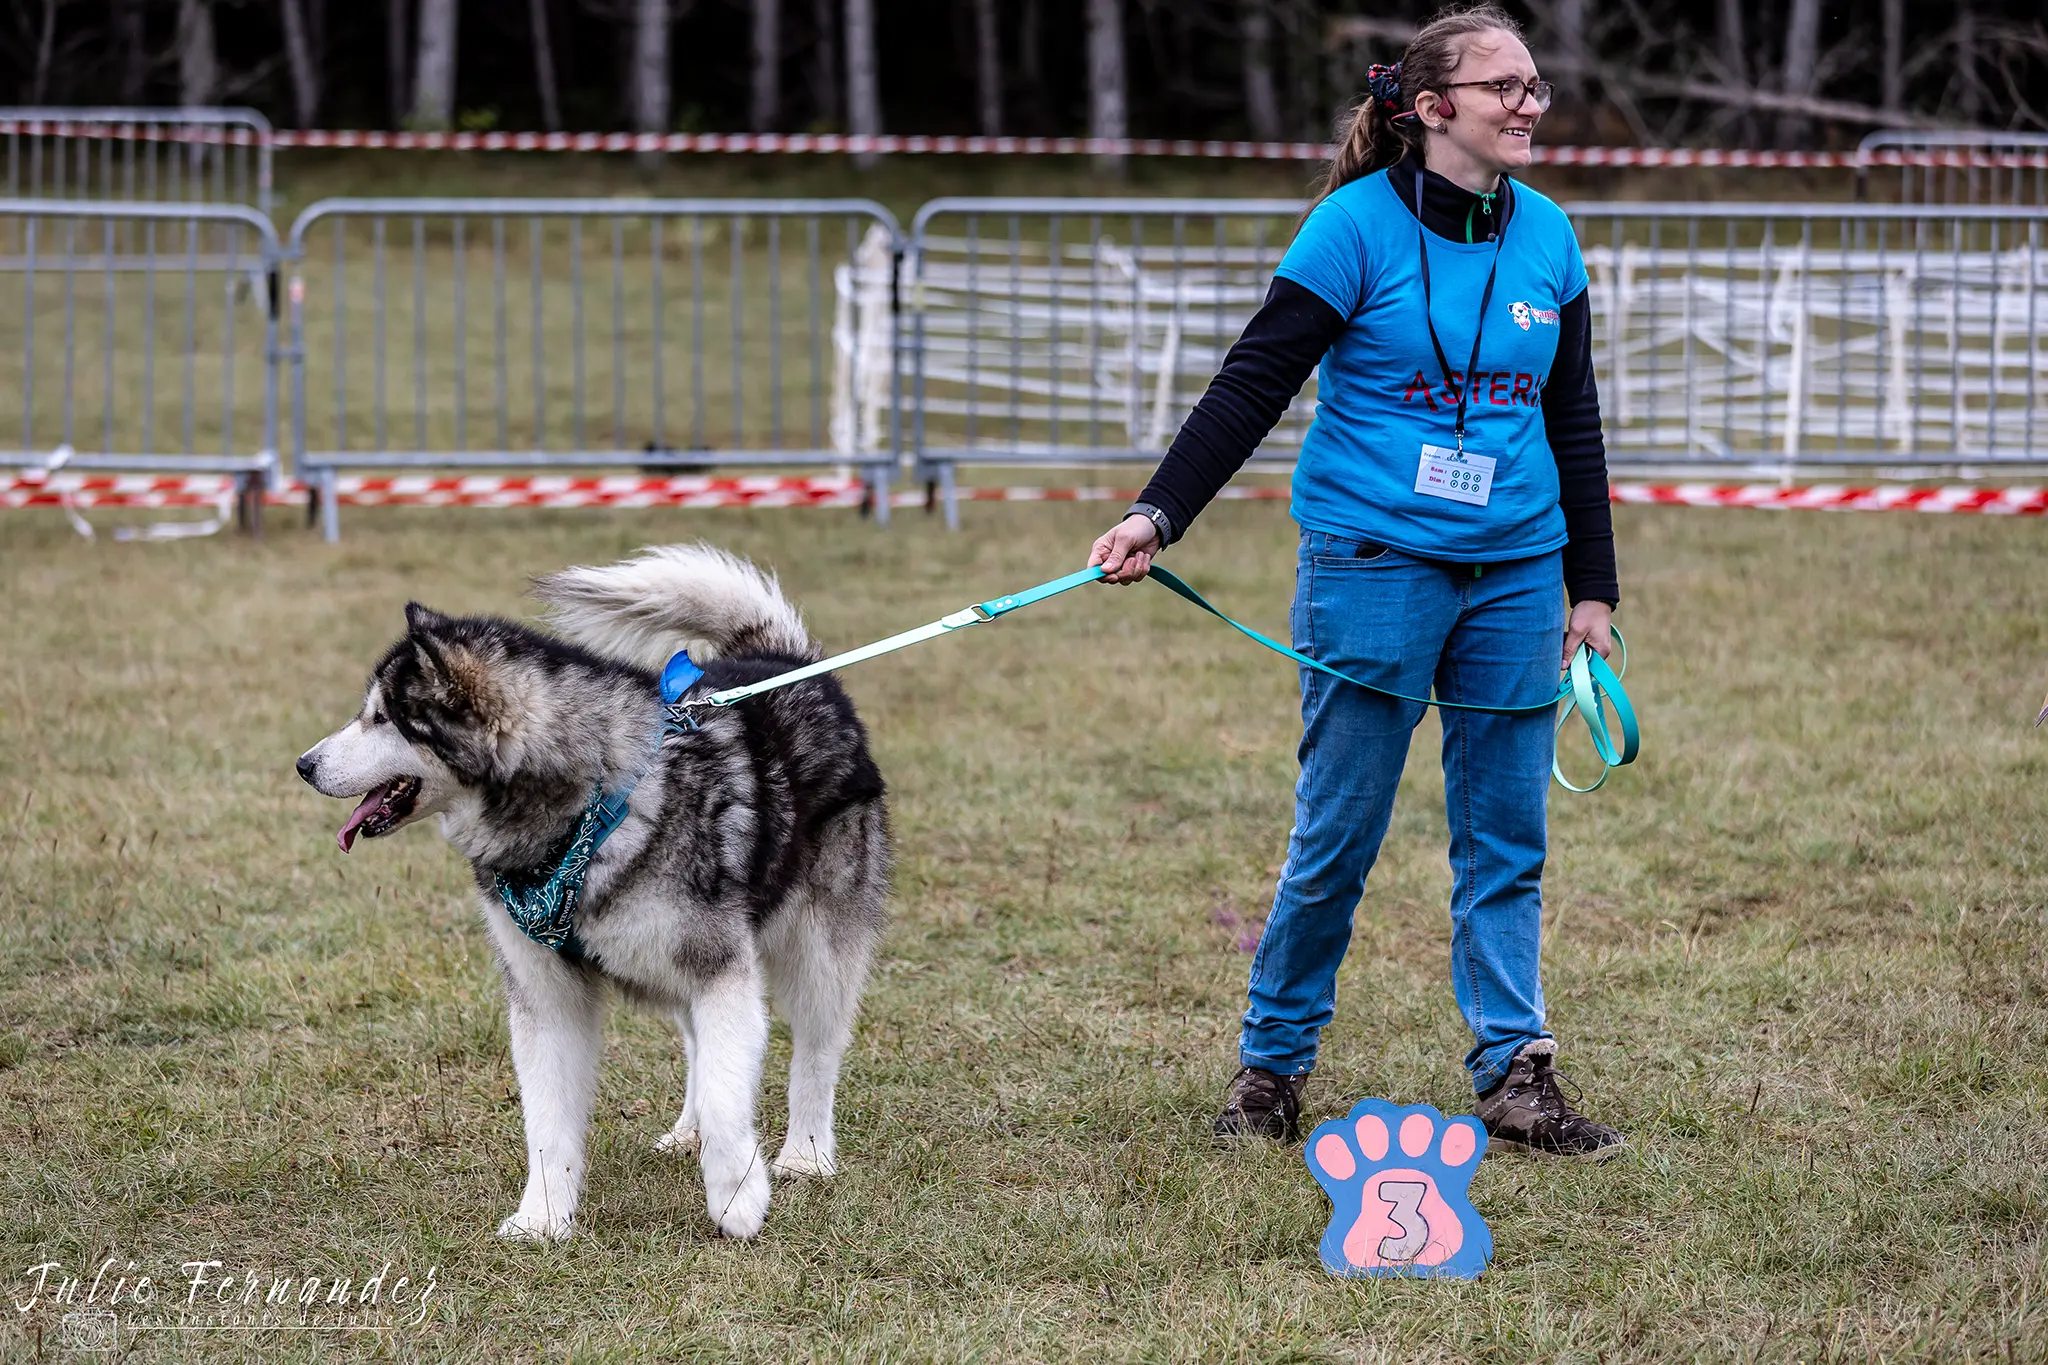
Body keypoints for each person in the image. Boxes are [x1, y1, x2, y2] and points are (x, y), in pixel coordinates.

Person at [1087, 2, 1624, 1159]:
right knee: (1339, 832)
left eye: (1534, 85)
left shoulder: (1548, 237)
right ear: (1432, 109)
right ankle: (1269, 1070)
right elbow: (1249, 387)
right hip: (1372, 565)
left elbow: (1569, 415)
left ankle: (1515, 1072)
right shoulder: (1349, 229)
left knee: (1505, 837)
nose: (1529, 104)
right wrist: (1156, 512)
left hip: (1517, 574)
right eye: (1503, 88)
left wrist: (1591, 586)